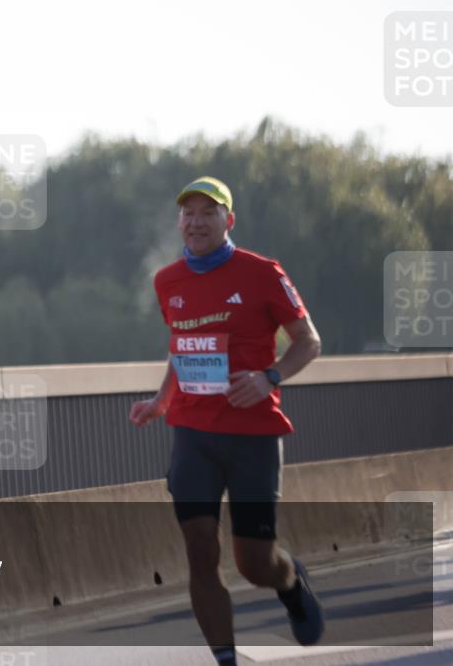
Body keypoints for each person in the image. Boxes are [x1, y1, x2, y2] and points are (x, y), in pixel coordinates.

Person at [129, 177, 325, 666]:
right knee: (199, 548)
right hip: (193, 434)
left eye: (207, 213)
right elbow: (183, 346)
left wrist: (270, 376)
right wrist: (160, 400)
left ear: (228, 221)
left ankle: (290, 581)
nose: (195, 222)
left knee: (255, 563)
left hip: (254, 436)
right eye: (187, 214)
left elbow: (309, 341)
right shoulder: (167, 281)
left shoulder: (262, 273)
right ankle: (225, 658)